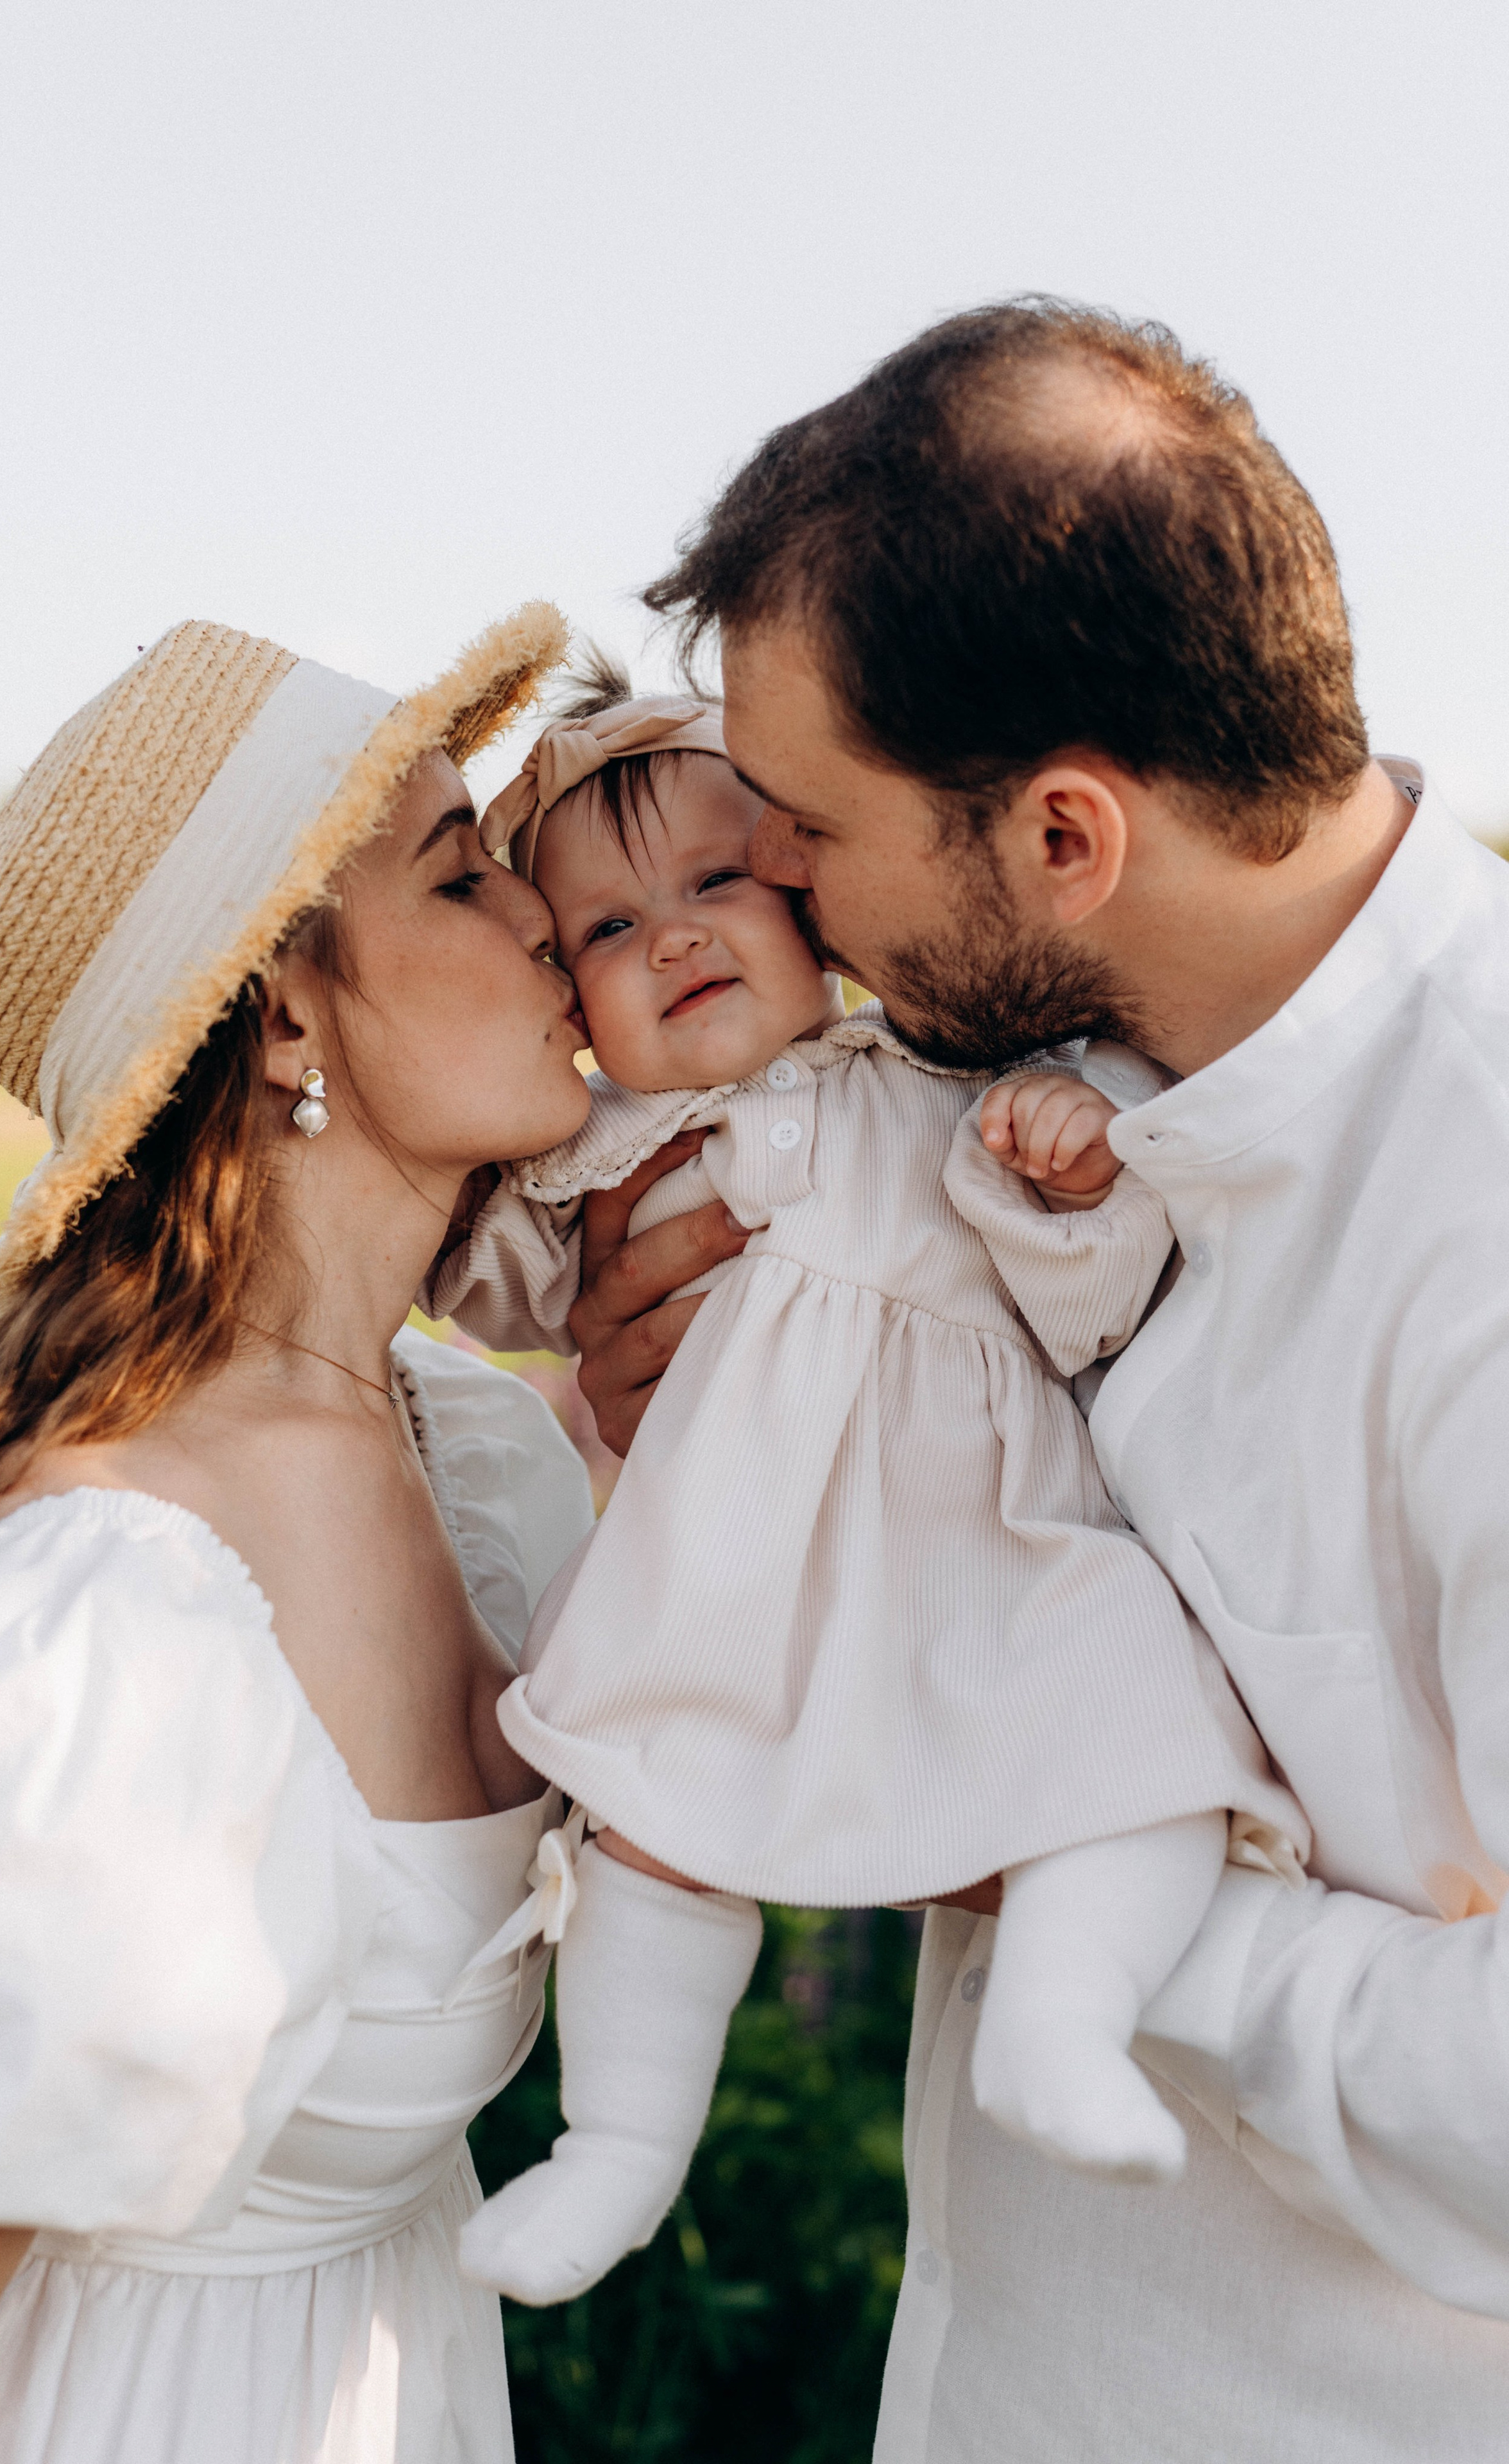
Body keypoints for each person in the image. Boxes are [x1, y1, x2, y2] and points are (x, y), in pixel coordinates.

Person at [572, 299, 1509, 2460]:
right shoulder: (1027, 1099)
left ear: (1065, 839)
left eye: (803, 821)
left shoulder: (1468, 1241)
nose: (771, 881)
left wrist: (1042, 1832)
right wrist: (720, 1454)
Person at [424, 657, 1302, 2309]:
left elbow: (1092, 1301)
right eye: (605, 932)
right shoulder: (612, 1154)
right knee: (648, 1826)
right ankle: (617, 2145)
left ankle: (1060, 2021)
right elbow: (481, 1273)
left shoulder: (934, 1081)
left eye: (712, 884)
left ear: (812, 899)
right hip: (733, 1568)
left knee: (1138, 1742)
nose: (671, 937)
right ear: (573, 1006)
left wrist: (1063, 1176)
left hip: (989, 1546)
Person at [0, 609, 599, 2464]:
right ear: (284, 1007)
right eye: (460, 875)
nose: (538, 919)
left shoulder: (478, 1452)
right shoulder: (102, 1593)